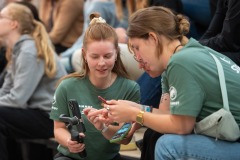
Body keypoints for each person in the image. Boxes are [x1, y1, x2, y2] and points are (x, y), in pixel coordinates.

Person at [88, 6, 240, 160]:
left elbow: (181, 126)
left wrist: (135, 113)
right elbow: (163, 118)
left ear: (153, 38)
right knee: (154, 134)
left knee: (167, 145)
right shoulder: (181, 58)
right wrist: (133, 110)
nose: (139, 62)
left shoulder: (181, 62)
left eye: (137, 48)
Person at [50, 13, 140, 160]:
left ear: (116, 53)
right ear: (84, 55)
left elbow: (124, 139)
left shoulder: (130, 88)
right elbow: (59, 128)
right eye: (95, 56)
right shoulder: (66, 86)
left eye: (107, 56)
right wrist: (69, 142)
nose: (101, 63)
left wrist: (104, 127)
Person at [0, 3, 66, 160]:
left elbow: (17, 99)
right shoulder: (17, 50)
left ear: (13, 24)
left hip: (51, 118)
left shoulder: (29, 51)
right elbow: (6, 91)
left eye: (1, 17)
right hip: (36, 112)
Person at [199, 0, 240, 66]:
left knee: (199, 59)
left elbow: (228, 42)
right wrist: (194, 45)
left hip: (234, 47)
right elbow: (211, 32)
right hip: (231, 44)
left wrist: (195, 46)